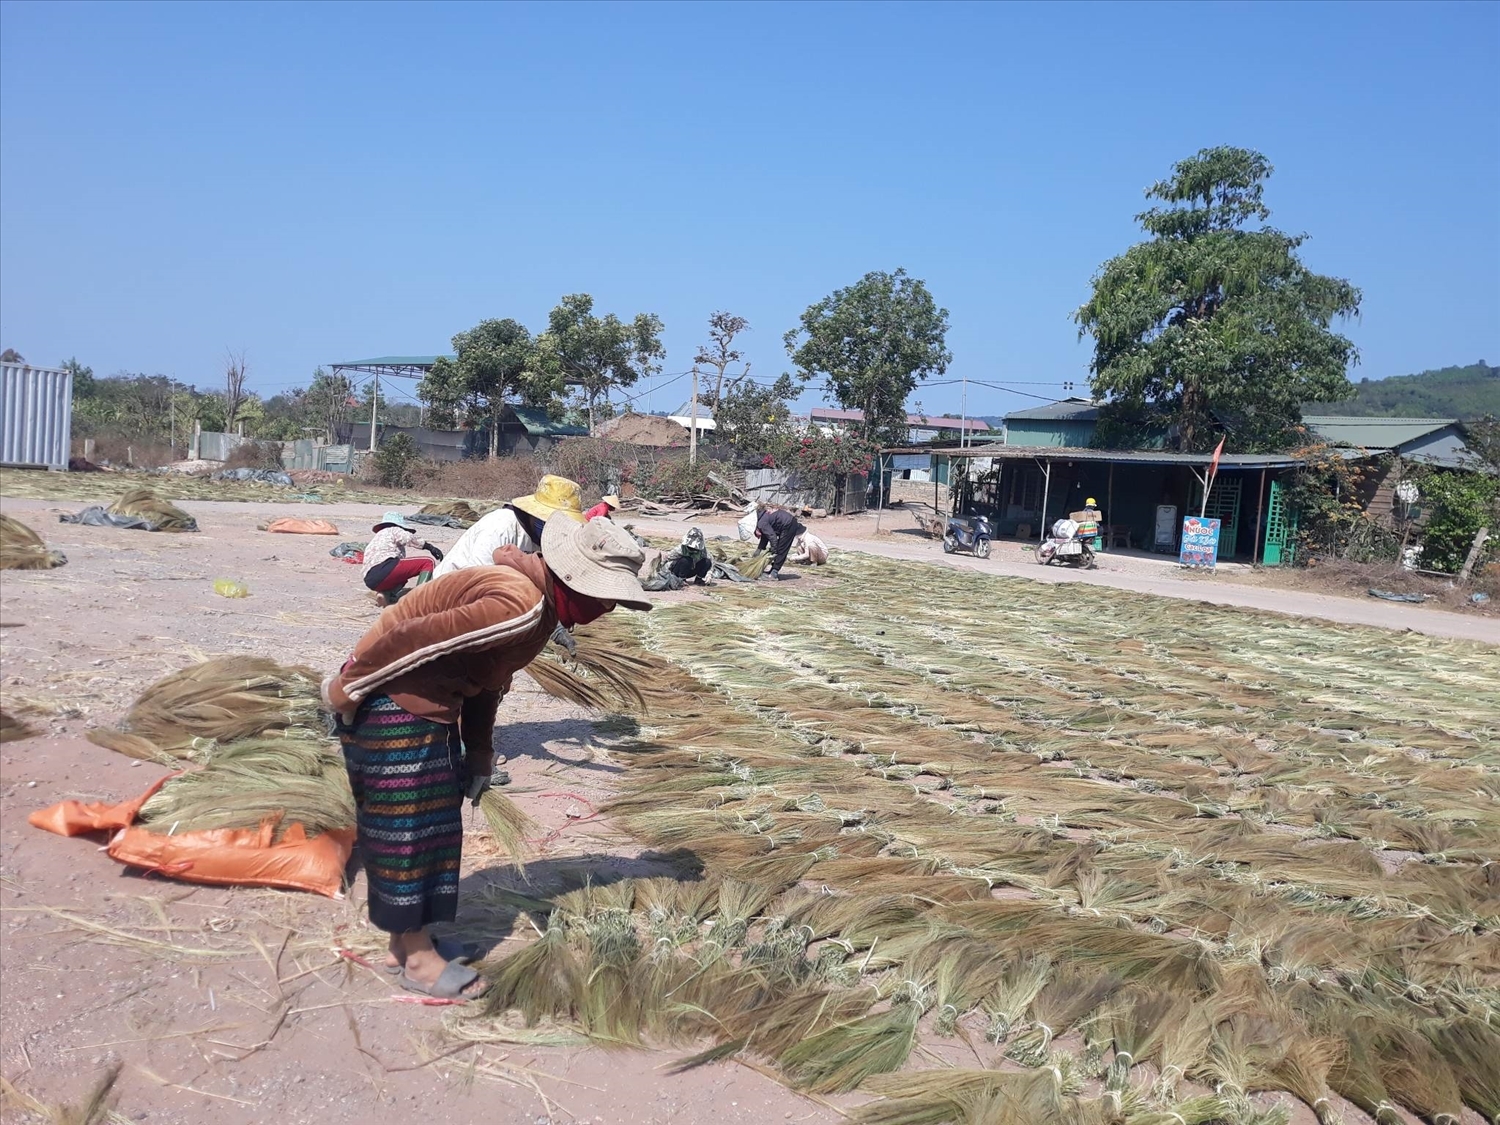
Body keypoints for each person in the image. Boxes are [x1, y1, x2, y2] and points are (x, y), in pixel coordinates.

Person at [323, 513, 653, 1001]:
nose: (608, 606)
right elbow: (408, 638)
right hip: (394, 703)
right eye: (605, 593)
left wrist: (479, 753)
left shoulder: (539, 609)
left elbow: (488, 680)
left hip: (428, 705)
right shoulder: (518, 602)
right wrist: (346, 690)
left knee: (436, 828)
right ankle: (415, 959)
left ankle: (409, 941)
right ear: (573, 578)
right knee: (408, 831)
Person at [432, 475, 583, 579]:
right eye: (550, 521)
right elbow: (479, 577)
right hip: (454, 593)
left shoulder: (549, 539)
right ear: (535, 514)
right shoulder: (501, 527)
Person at [362, 512, 444, 605]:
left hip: (370, 578)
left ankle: (384, 594)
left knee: (402, 577)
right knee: (428, 562)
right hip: (385, 567)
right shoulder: (393, 529)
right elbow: (408, 538)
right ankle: (419, 597)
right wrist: (429, 547)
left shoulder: (377, 538)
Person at [752, 505, 806, 580]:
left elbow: (772, 536)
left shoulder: (761, 524)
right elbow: (765, 537)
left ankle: (774, 573)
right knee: (778, 548)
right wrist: (759, 550)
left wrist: (774, 550)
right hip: (786, 524)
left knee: (781, 549)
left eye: (756, 534)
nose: (757, 537)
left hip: (789, 524)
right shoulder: (761, 521)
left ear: (755, 528)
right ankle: (772, 570)